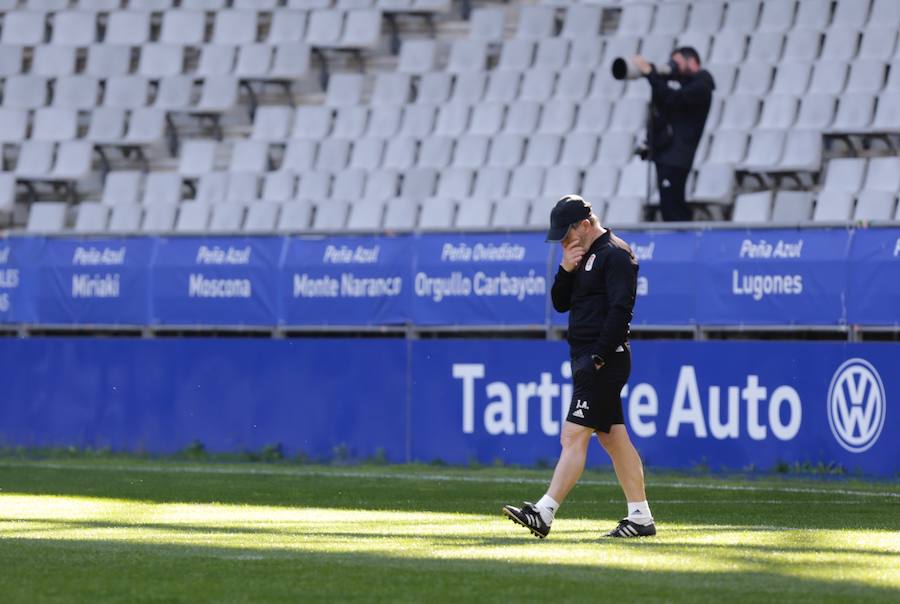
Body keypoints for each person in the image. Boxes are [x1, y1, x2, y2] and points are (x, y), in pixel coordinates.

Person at [502, 194, 655, 539]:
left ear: (584, 225)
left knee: (572, 435)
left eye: (567, 235)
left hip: (604, 360)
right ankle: (640, 517)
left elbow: (621, 312)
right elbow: (559, 303)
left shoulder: (615, 254)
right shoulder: (583, 256)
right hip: (590, 359)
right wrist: (565, 269)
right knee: (614, 439)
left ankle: (544, 512)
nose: (564, 242)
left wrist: (598, 357)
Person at [633, 47, 715, 222]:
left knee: (673, 208)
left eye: (677, 62)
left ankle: (683, 245)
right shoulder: (685, 86)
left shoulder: (701, 86)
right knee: (668, 206)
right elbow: (665, 102)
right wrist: (657, 75)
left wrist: (651, 74)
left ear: (692, 61)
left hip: (677, 156)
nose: (674, 67)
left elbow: (675, 99)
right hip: (667, 154)